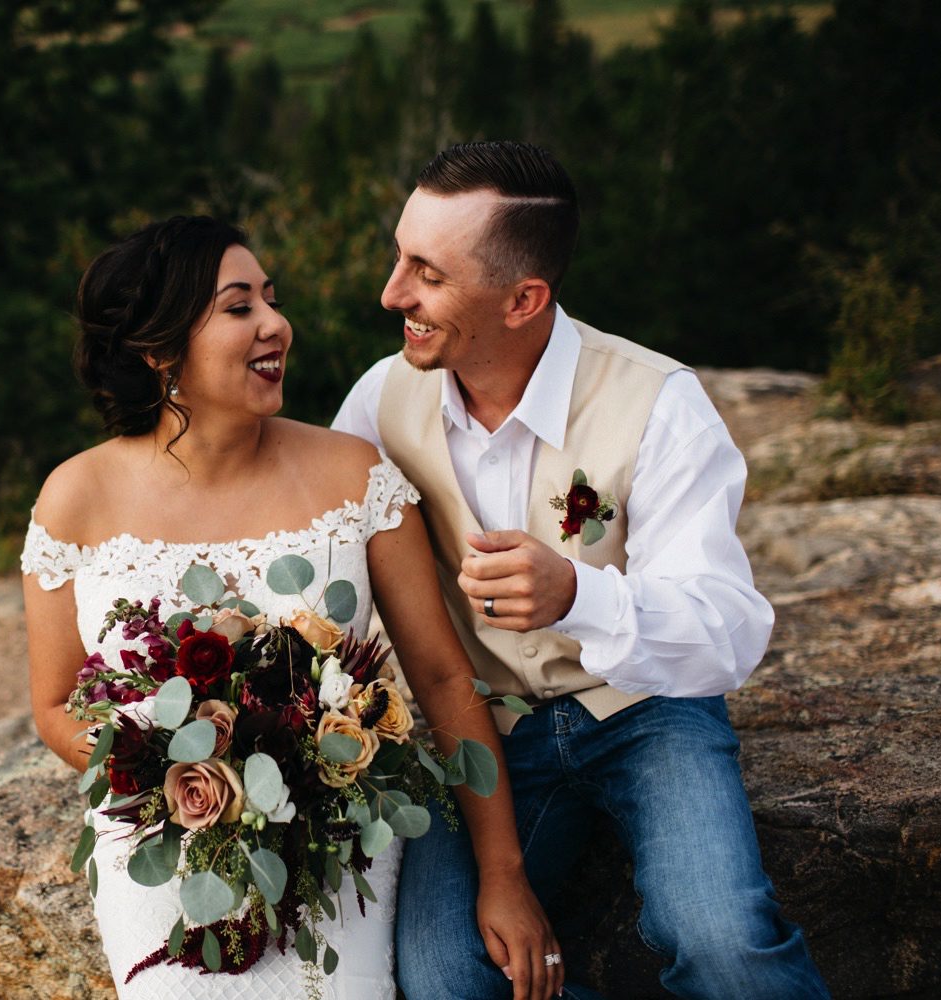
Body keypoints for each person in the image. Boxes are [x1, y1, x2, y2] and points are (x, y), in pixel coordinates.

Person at [332, 140, 831, 999]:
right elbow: (325, 556)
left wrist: (578, 594)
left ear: (524, 298)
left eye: (427, 272)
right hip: (481, 731)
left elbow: (728, 632)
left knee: (720, 943)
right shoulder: (381, 400)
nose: (392, 293)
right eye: (398, 255)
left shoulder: (659, 402)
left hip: (647, 713)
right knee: (448, 981)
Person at [21, 216, 565, 1000]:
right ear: (159, 350)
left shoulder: (353, 475)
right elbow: (52, 704)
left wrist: (503, 875)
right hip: (166, 858)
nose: (276, 323)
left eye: (271, 299)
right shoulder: (76, 495)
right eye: (240, 307)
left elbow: (444, 681)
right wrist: (179, 781)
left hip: (337, 846)